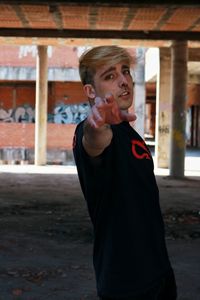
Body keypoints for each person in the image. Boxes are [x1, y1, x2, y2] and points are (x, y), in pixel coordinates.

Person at [73, 45, 177, 300]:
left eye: (125, 72)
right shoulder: (94, 130)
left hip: (158, 271)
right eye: (110, 76)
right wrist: (96, 124)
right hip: (126, 281)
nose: (123, 81)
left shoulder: (129, 132)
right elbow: (93, 140)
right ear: (90, 91)